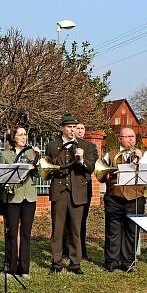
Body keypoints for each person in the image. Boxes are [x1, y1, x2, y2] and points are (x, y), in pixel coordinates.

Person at [46, 114, 97, 275]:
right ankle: (56, 262)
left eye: (74, 127)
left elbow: (91, 168)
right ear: (62, 127)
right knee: (58, 229)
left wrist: (81, 159)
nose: (72, 130)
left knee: (76, 229)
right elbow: (48, 168)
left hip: (78, 192)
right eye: (69, 127)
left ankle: (75, 263)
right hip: (59, 192)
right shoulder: (53, 145)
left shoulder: (85, 146)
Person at [102, 127, 147, 272]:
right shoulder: (111, 155)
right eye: (128, 136)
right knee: (113, 231)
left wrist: (141, 159)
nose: (131, 139)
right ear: (120, 138)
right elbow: (101, 173)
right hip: (114, 198)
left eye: (133, 136)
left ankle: (128, 262)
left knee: (132, 232)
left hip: (135, 198)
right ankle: (111, 262)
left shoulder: (145, 155)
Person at [0, 125, 40, 280]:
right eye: (21, 135)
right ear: (13, 138)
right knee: (12, 233)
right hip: (12, 198)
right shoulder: (5, 154)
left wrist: (37, 158)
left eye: (25, 135)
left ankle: (24, 268)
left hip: (29, 197)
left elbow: (39, 173)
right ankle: (10, 267)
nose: (24, 137)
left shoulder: (30, 153)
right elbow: (2, 177)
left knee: (26, 234)